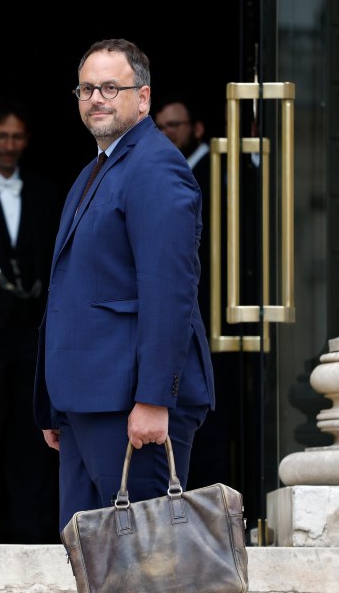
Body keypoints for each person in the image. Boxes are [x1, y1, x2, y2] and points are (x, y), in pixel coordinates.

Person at [34, 38, 215, 531]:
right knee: (95, 564)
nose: (97, 98)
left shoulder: (155, 167)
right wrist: (54, 402)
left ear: (144, 97)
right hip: (86, 403)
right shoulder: (96, 169)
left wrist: (155, 399)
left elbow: (169, 291)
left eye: (112, 87)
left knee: (145, 563)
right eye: (87, 88)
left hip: (133, 406)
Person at [155, 96, 240, 490]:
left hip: (220, 311)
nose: (168, 133)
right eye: (162, 127)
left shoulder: (221, 169)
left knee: (219, 426)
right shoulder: (157, 173)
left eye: (176, 125)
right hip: (186, 316)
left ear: (198, 129)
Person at [0, 97, 64, 543]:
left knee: (29, 434)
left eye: (17, 136)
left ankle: (27, 530)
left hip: (32, 334)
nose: (9, 145)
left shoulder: (45, 191)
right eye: (2, 135)